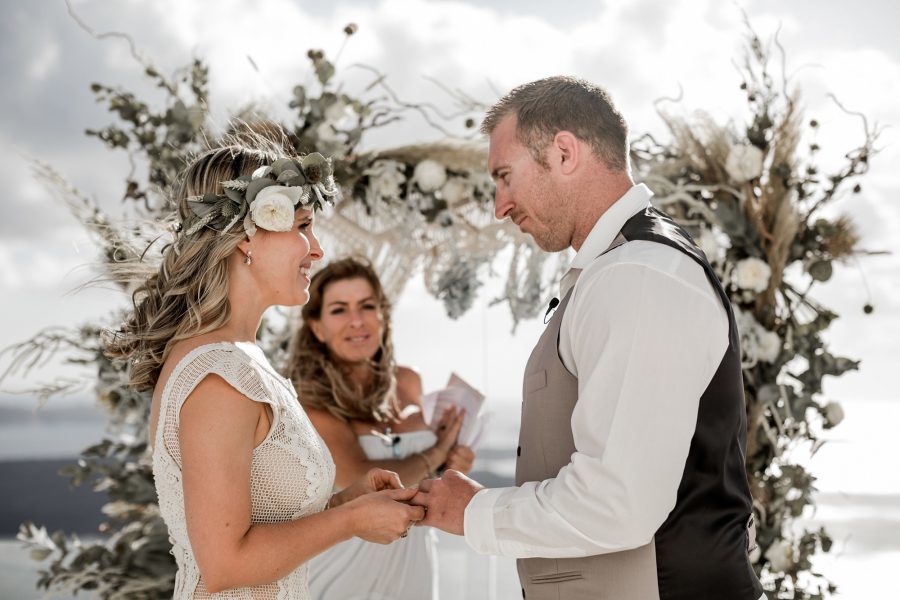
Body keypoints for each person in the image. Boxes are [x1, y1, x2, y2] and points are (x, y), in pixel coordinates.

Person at [411, 76, 765, 600]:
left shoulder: (637, 275)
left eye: (505, 176)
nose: (499, 205)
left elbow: (616, 504)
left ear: (563, 152)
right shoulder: (620, 270)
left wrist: (473, 512)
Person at [104, 133, 424, 599]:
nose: (317, 250)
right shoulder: (218, 378)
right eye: (303, 226)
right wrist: (351, 520)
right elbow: (225, 563)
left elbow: (265, 523)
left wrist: (348, 501)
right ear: (246, 238)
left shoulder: (243, 360)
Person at [284, 257, 476, 600]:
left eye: (367, 306)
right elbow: (362, 474)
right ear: (317, 327)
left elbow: (419, 476)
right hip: (344, 573)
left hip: (414, 564)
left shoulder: (409, 381)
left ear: (383, 316)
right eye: (339, 310)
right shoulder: (310, 401)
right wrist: (436, 453)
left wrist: (451, 467)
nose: (357, 321)